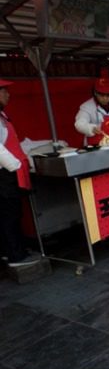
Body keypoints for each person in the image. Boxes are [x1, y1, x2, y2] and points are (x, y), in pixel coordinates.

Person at [0, 79, 41, 267]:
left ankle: (13, 250)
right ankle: (15, 255)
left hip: (9, 173)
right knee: (10, 215)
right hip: (4, 175)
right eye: (4, 91)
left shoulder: (2, 115)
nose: (8, 94)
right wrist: (15, 165)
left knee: (12, 214)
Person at [74, 78, 109, 147]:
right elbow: (79, 124)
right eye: (102, 95)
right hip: (94, 147)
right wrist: (91, 128)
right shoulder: (87, 106)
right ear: (95, 93)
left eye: (108, 95)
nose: (105, 98)